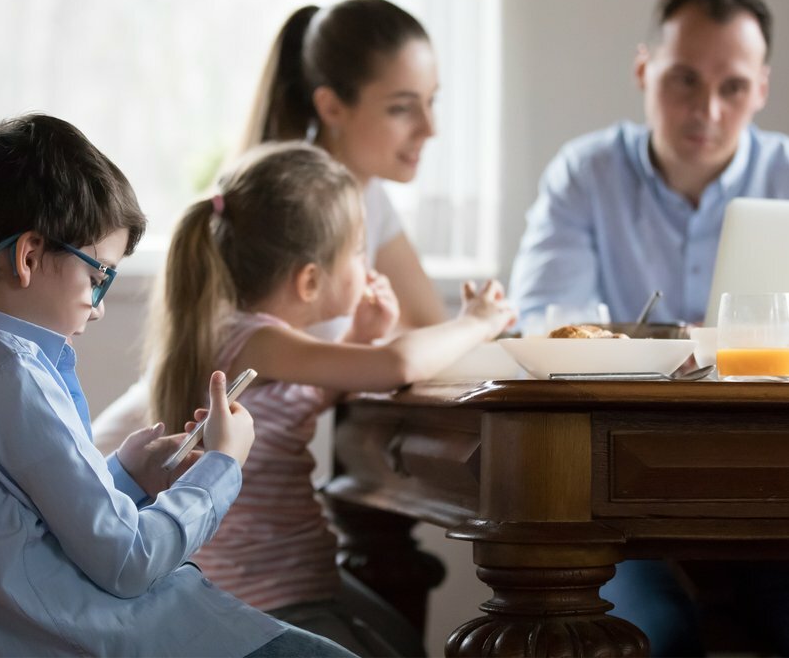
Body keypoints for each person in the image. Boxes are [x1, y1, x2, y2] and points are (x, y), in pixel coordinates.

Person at [507, 0, 789, 656]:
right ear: (644, 69)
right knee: (642, 637)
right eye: (683, 80)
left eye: (733, 87)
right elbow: (548, 328)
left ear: (763, 89)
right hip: (617, 506)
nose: (708, 110)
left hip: (781, 509)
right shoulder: (583, 177)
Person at [0, 113, 355, 657]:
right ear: (28, 256)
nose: (99, 308)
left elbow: (32, 524)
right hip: (103, 636)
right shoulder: (9, 377)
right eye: (97, 277)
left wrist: (125, 475)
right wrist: (221, 466)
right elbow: (128, 561)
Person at [146, 142, 516, 656]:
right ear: (310, 280)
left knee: (405, 642)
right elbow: (399, 364)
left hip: (295, 582)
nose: (367, 264)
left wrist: (359, 338)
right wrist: (476, 323)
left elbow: (301, 399)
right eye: (359, 250)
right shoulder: (256, 341)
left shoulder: (260, 342)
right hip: (260, 599)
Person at [92, 0, 447, 449]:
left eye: (432, 101)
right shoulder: (279, 211)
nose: (430, 127)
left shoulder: (369, 199)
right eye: (402, 107)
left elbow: (426, 326)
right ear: (332, 107)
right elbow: (408, 354)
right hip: (145, 472)